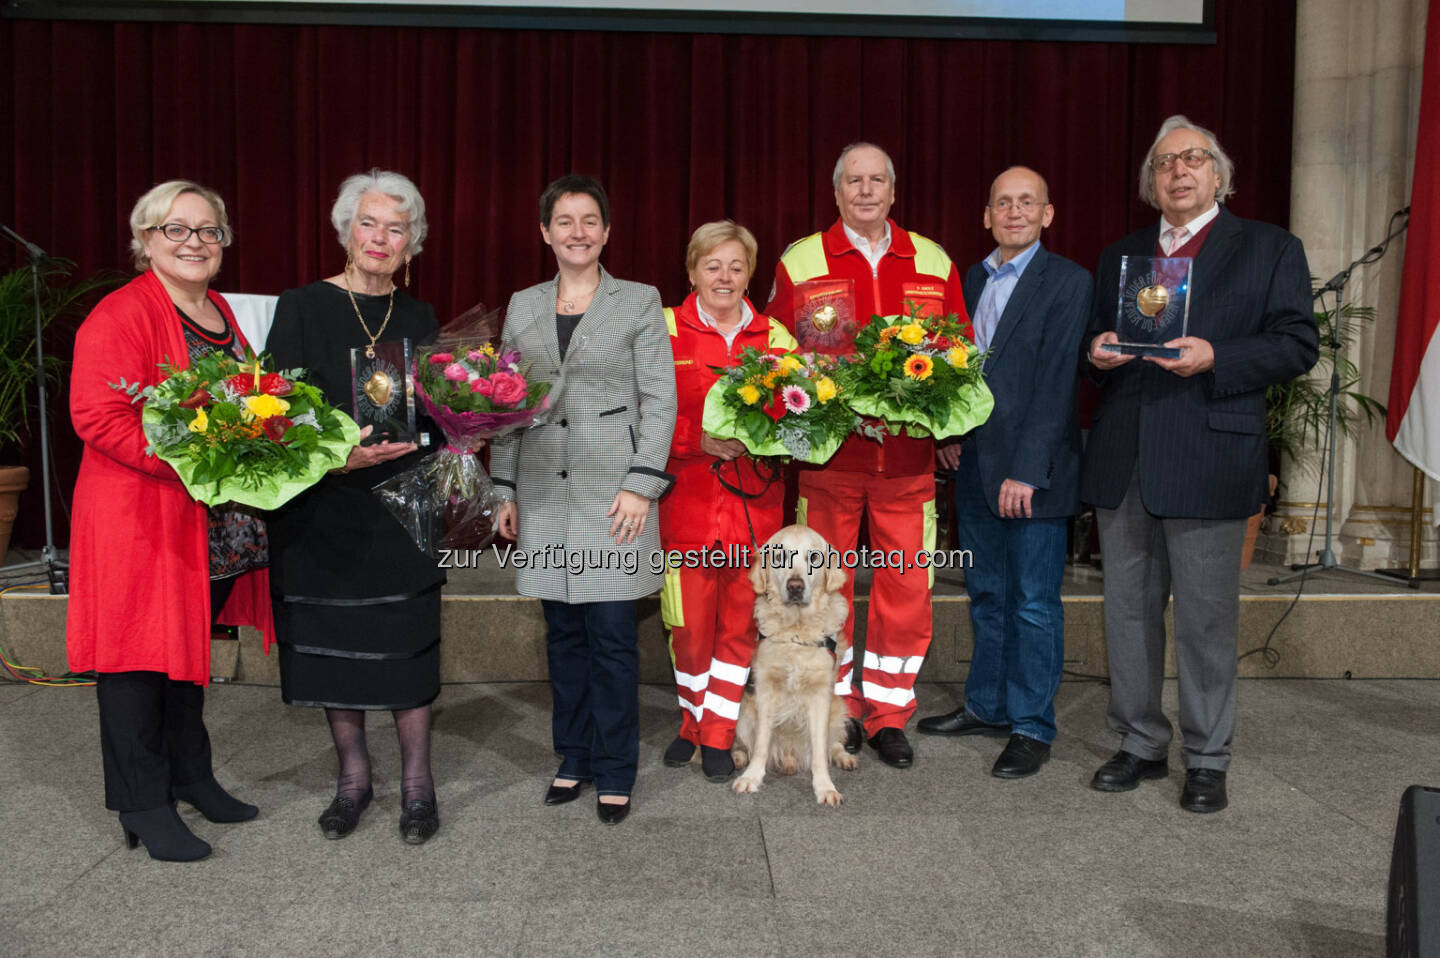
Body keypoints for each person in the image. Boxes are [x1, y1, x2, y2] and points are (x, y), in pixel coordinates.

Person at [1082, 116, 1318, 812]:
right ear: (1151, 183)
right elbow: (1095, 354)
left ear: (1220, 174)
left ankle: (1208, 757)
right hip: (1125, 459)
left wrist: (1219, 355)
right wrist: (1095, 355)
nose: (1179, 171)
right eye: (1164, 163)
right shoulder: (1122, 255)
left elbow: (1297, 344)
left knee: (1207, 621)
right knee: (1127, 614)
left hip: (1210, 455)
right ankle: (1140, 744)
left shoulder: (1270, 249)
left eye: (1193, 159)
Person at [68, 180, 273, 862]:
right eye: (177, 230)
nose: (195, 243)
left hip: (210, 526)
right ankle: (141, 802)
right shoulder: (119, 315)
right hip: (141, 521)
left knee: (186, 657)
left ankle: (191, 776)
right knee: (135, 663)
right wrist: (189, 467)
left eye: (208, 231)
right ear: (146, 239)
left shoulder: (218, 312)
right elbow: (97, 417)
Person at [764, 142, 967, 768]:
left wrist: (952, 425)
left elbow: (959, 353)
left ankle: (887, 716)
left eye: (877, 179)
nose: (866, 190)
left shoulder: (932, 259)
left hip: (908, 465)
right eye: (854, 181)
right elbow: (774, 352)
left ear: (894, 190)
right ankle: (839, 710)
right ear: (836, 192)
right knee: (826, 589)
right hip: (828, 465)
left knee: (906, 590)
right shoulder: (801, 259)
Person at [265, 169, 445, 844]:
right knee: (334, 654)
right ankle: (354, 781)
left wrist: (459, 424)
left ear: (412, 242)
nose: (380, 238)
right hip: (324, 512)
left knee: (407, 654)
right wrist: (334, 458)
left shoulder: (424, 317)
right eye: (368, 223)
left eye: (396, 228)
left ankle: (419, 788)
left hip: (404, 510)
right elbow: (272, 415)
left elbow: (435, 417)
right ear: (346, 231)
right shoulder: (302, 307)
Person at [491, 174, 676, 825]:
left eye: (589, 220)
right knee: (564, 636)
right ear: (545, 232)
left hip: (614, 497)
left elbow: (661, 401)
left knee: (611, 636)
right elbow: (507, 404)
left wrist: (640, 485)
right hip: (542, 493)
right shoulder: (523, 305)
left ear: (606, 230)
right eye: (564, 221)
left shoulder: (639, 301)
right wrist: (503, 487)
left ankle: (616, 768)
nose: (578, 232)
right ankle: (573, 756)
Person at [915, 167, 1092, 779]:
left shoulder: (1068, 281)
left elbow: (1054, 385)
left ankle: (1032, 726)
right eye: (1002, 204)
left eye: (1027, 203)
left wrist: (1027, 470)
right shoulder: (971, 278)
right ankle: (987, 706)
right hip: (976, 467)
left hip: (1029, 475)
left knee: (1034, 604)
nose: (1014, 212)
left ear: (1047, 215)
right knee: (987, 596)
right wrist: (951, 435)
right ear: (986, 216)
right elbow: (962, 371)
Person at [658, 221, 796, 783]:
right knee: (687, 627)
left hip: (753, 511)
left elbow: (801, 423)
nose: (724, 276)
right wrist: (696, 440)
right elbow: (639, 418)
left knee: (739, 627)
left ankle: (715, 736)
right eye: (712, 265)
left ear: (750, 275)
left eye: (736, 266)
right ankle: (692, 724)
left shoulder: (778, 341)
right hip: (683, 509)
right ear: (691, 271)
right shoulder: (660, 329)